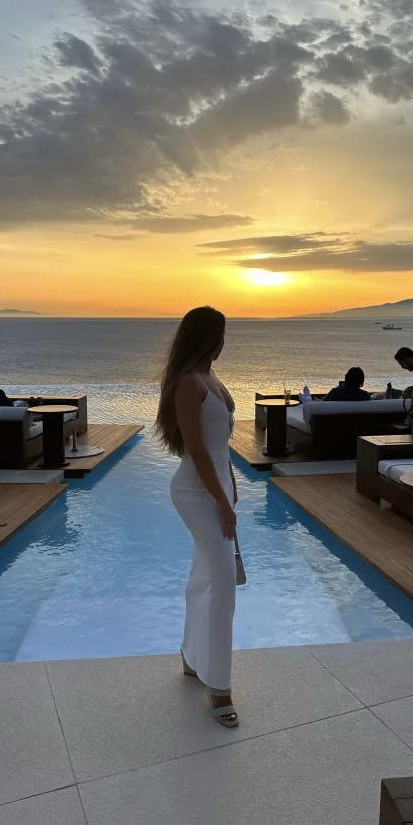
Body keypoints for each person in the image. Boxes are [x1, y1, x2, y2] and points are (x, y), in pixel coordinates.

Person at [155, 306, 239, 728]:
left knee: (204, 575)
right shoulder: (189, 384)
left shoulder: (211, 378)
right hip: (196, 491)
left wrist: (232, 489)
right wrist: (222, 503)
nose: (225, 343)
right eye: (221, 335)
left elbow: (221, 447)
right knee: (223, 583)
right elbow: (197, 451)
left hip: (217, 488)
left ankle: (191, 656)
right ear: (208, 339)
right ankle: (219, 686)